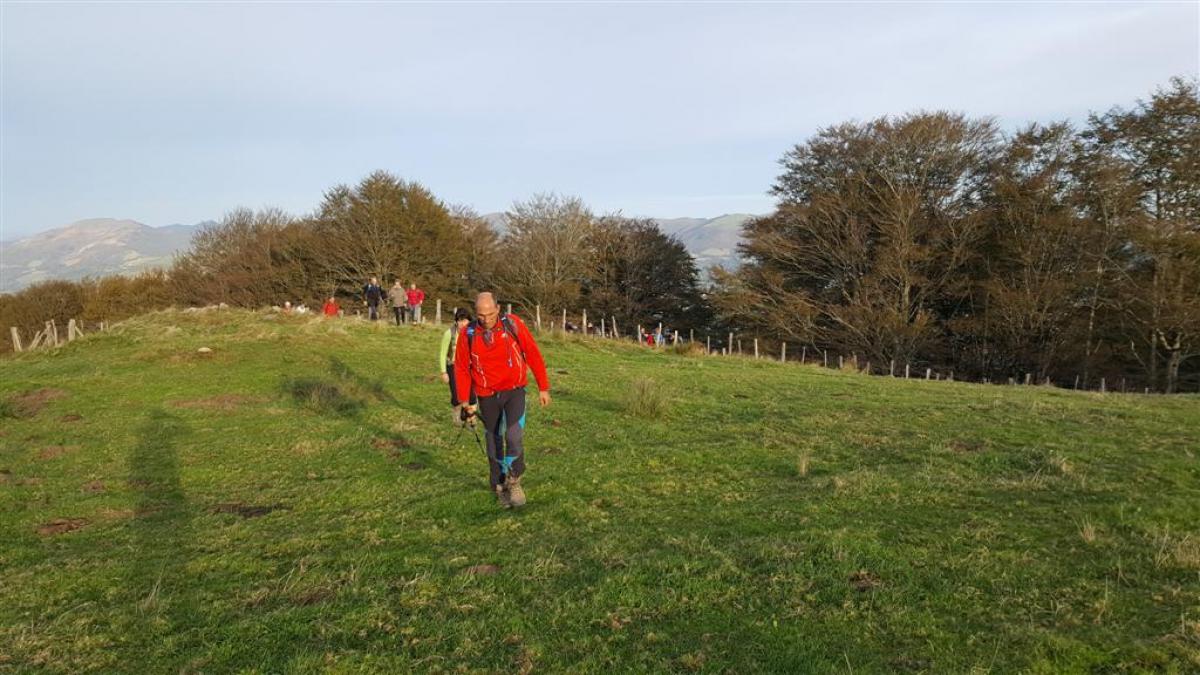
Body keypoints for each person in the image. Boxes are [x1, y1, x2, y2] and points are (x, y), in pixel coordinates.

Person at [456, 293, 550, 509]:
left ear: (498, 309)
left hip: (514, 389)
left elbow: (532, 353)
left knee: (514, 434)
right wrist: (465, 401)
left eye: (490, 314)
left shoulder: (513, 324)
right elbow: (462, 368)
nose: (486, 319)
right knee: (494, 439)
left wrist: (543, 387)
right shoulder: (468, 333)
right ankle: (499, 484)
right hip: (486, 394)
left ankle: (515, 479)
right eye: (481, 315)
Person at [439, 308, 476, 422]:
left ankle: (471, 419)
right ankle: (457, 416)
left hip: (469, 367)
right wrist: (443, 372)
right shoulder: (449, 333)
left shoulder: (473, 333)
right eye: (460, 321)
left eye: (465, 321)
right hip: (453, 366)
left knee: (471, 395)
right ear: (456, 321)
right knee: (457, 395)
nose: (462, 324)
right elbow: (442, 353)